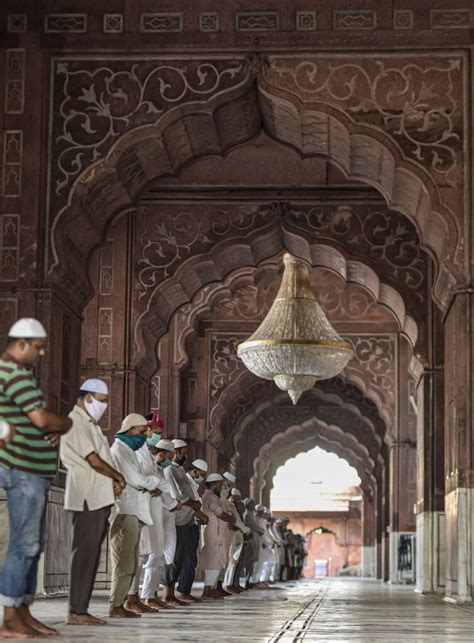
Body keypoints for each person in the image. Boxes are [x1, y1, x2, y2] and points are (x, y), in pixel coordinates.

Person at [0, 318, 72, 639]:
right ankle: (11, 617)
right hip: (23, 468)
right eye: (39, 347)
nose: (42, 354)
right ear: (21, 344)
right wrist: (64, 425)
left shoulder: (19, 375)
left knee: (33, 544)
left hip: (34, 469)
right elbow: (42, 420)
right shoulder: (13, 374)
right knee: (23, 544)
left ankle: (23, 611)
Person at [60, 378, 126, 626]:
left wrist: (112, 484)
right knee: (84, 554)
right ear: (87, 398)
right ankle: (76, 611)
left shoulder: (90, 424)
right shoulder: (76, 422)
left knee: (90, 554)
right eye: (102, 401)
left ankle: (80, 609)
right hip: (86, 496)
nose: (104, 406)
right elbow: (94, 460)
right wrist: (118, 477)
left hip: (97, 496)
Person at [109, 414, 162, 618]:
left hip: (134, 511)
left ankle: (121, 603)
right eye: (142, 431)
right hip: (124, 510)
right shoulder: (120, 451)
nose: (145, 435)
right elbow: (137, 479)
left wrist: (150, 483)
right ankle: (115, 605)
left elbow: (142, 480)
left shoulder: (129, 451)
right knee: (124, 562)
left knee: (130, 562)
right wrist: (154, 483)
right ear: (130, 430)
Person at [129, 436, 180, 612]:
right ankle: (137, 596)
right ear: (163, 453)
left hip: (160, 514)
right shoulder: (145, 465)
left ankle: (150, 595)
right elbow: (156, 490)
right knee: (145, 555)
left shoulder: (157, 469)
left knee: (158, 554)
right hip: (147, 513)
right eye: (169, 455)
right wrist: (173, 504)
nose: (170, 459)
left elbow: (163, 492)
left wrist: (172, 503)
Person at [163, 439, 203, 605]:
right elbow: (176, 494)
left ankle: (177, 593)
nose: (185, 456)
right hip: (177, 519)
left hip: (187, 520)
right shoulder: (169, 470)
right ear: (175, 452)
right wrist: (194, 504)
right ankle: (167, 593)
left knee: (186, 558)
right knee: (175, 557)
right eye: (183, 452)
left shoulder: (179, 470)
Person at [176, 458, 209, 602]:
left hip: (192, 524)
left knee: (191, 559)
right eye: (200, 474)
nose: (202, 477)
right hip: (184, 523)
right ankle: (182, 591)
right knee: (185, 559)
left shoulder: (194, 485)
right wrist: (199, 513)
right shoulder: (185, 482)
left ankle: (185, 590)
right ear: (194, 471)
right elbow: (185, 502)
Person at [199, 474, 235, 600]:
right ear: (213, 485)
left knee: (216, 560)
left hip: (217, 532)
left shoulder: (212, 496)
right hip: (215, 532)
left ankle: (211, 588)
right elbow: (221, 514)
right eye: (220, 485)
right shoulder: (211, 497)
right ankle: (207, 590)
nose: (222, 488)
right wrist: (232, 519)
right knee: (214, 559)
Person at [223, 486, 250, 593]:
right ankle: (226, 584)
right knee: (230, 560)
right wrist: (246, 530)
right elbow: (234, 522)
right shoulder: (226, 505)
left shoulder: (235, 507)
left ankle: (230, 584)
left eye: (239, 498)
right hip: (231, 535)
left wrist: (244, 530)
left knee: (234, 561)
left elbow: (238, 521)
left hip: (239, 534)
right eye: (236, 497)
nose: (238, 500)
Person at [242, 498, 264, 589]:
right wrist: (261, 530)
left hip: (255, 539)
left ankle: (249, 580)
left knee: (252, 562)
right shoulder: (247, 515)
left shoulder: (252, 515)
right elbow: (254, 526)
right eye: (251, 504)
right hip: (251, 540)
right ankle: (246, 581)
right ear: (247, 505)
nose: (253, 505)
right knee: (249, 561)